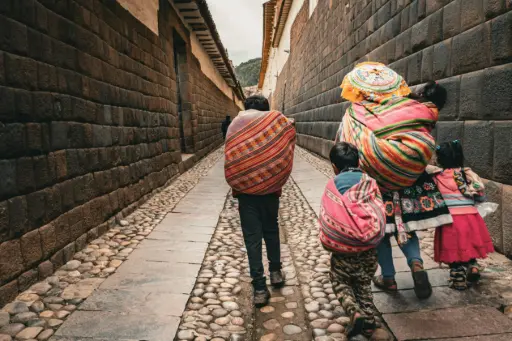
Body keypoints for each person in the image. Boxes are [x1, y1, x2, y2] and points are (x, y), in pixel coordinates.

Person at [335, 62, 451, 299]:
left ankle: (388, 278)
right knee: (406, 227)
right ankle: (416, 264)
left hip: (376, 182)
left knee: (382, 233)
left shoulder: (357, 112)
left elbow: (346, 144)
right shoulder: (408, 107)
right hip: (408, 181)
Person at [224, 95, 296, 307]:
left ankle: (259, 287)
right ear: (266, 109)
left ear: (246, 108)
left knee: (252, 239)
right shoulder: (276, 120)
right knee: (272, 231)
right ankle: (275, 272)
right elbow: (289, 136)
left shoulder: (236, 123)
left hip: (246, 193)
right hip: (271, 190)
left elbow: (231, 152)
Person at [319, 142, 386, 338]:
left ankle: (353, 311)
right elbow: (378, 208)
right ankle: (369, 320)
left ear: (334, 166)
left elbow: (327, 215)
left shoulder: (334, 185)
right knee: (364, 282)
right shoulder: (369, 182)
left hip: (343, 250)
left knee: (340, 281)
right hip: (367, 247)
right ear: (359, 161)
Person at [430, 140, 495, 290]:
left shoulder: (437, 177)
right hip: (471, 217)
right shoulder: (467, 174)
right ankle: (473, 267)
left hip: (450, 219)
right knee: (469, 246)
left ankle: (458, 279)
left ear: (439, 159)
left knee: (453, 250)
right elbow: (480, 196)